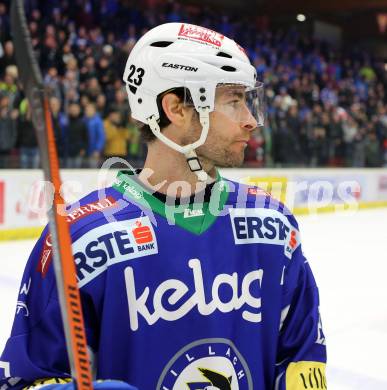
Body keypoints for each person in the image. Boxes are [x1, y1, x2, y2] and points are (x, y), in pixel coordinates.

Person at [0, 23, 327, 389]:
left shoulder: (272, 225)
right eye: (234, 101)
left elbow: (302, 356)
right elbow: (25, 378)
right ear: (176, 108)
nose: (250, 120)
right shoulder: (81, 240)